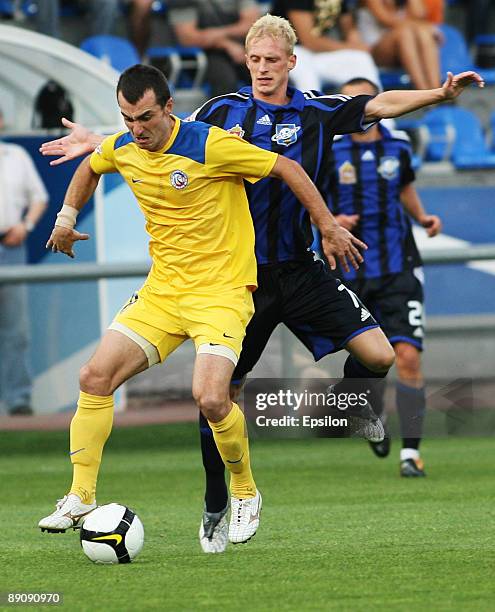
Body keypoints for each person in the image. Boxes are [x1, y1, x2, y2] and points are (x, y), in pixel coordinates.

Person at [39, 15, 483, 552]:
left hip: (295, 269)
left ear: (291, 63)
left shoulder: (315, 111)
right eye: (255, 60)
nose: (264, 69)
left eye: (274, 60)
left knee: (380, 357)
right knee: (217, 395)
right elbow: (154, 132)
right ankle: (215, 504)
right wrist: (94, 141)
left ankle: (357, 405)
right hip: (238, 274)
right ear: (246, 61)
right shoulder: (222, 111)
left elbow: (380, 104)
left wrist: (439, 93)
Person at [37, 64, 366, 545]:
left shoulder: (209, 144)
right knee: (93, 377)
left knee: (212, 398)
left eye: (145, 117)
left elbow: (287, 167)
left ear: (169, 108)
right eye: (127, 118)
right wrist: (66, 219)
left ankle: (246, 491)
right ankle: (81, 495)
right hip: (164, 292)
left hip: (221, 293)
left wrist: (328, 225)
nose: (136, 129)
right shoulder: (125, 146)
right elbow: (90, 165)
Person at [327, 77, 442, 477]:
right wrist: (330, 220)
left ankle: (411, 453)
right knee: (370, 363)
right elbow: (309, 199)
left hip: (399, 268)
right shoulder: (328, 147)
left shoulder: (399, 145)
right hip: (352, 271)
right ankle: (368, 416)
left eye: (366, 99)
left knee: (408, 356)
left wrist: (422, 216)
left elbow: (405, 187)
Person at [0, 109, 48, 416]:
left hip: (11, 245)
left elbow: (39, 198)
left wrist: (26, 227)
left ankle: (18, 399)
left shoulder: (16, 156)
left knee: (16, 330)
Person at [270, 0, 382, 91]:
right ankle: (310, 116)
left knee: (361, 58)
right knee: (307, 80)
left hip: (318, 54)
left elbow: (350, 30)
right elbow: (309, 40)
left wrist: (357, 46)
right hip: (287, 51)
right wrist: (352, 47)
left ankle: (380, 115)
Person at [168, 0, 260, 98]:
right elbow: (188, 38)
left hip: (242, 46)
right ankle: (222, 112)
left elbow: (252, 25)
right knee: (225, 80)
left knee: (264, 70)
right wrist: (226, 44)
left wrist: (215, 34)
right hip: (203, 53)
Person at [356, 0, 441, 89]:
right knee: (405, 32)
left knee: (424, 33)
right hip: (376, 51)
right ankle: (424, 92)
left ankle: (438, 90)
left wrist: (425, 27)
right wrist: (427, 26)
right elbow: (388, 21)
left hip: (404, 50)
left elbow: (420, 15)